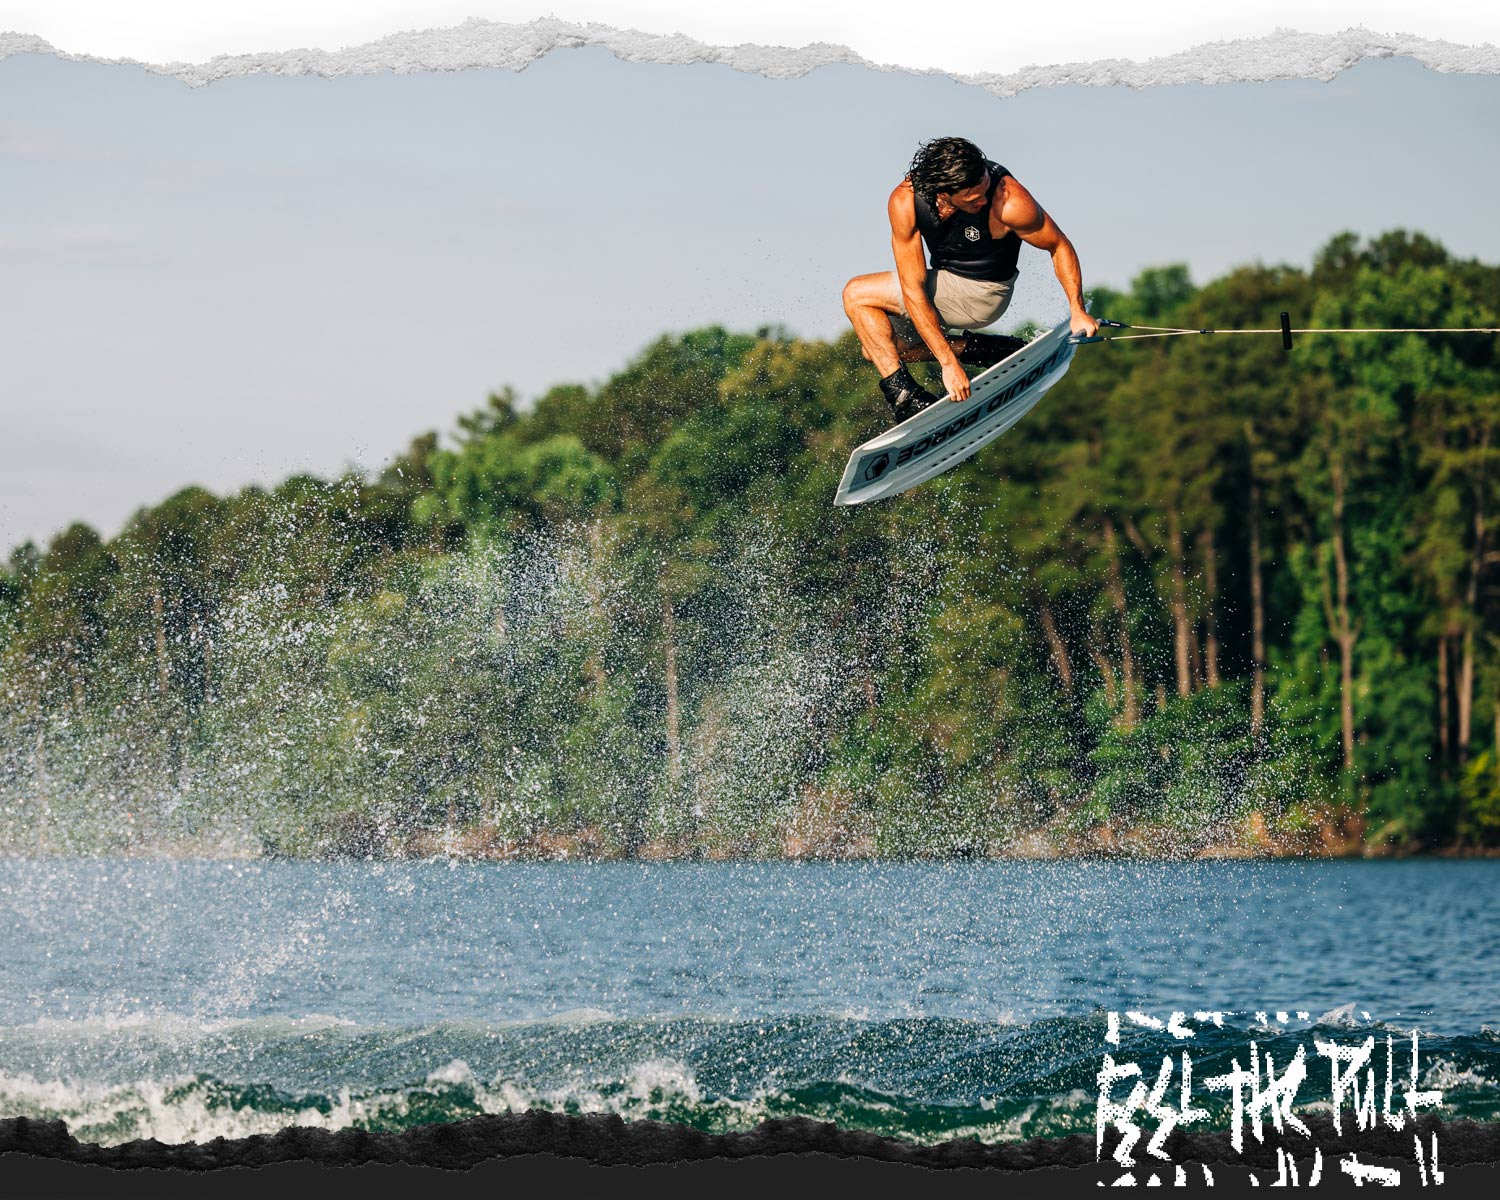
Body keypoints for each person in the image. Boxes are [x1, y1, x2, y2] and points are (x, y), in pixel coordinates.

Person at [842, 136, 1100, 423]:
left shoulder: (1009, 201)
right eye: (973, 197)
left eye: (985, 188)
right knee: (880, 348)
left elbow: (1059, 245)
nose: (983, 198)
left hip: (983, 293)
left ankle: (905, 397)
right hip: (943, 286)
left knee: (856, 294)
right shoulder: (906, 201)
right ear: (943, 192)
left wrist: (1077, 310)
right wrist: (947, 359)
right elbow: (912, 286)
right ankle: (989, 350)